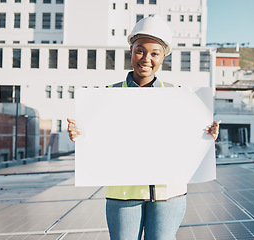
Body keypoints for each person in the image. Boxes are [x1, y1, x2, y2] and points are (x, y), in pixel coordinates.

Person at [67, 15, 220, 240]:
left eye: (154, 53)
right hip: (124, 195)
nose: (146, 58)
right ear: (131, 51)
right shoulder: (106, 95)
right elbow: (97, 140)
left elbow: (187, 141)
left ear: (163, 56)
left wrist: (207, 135)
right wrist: (80, 134)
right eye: (140, 50)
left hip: (169, 195)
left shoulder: (179, 95)